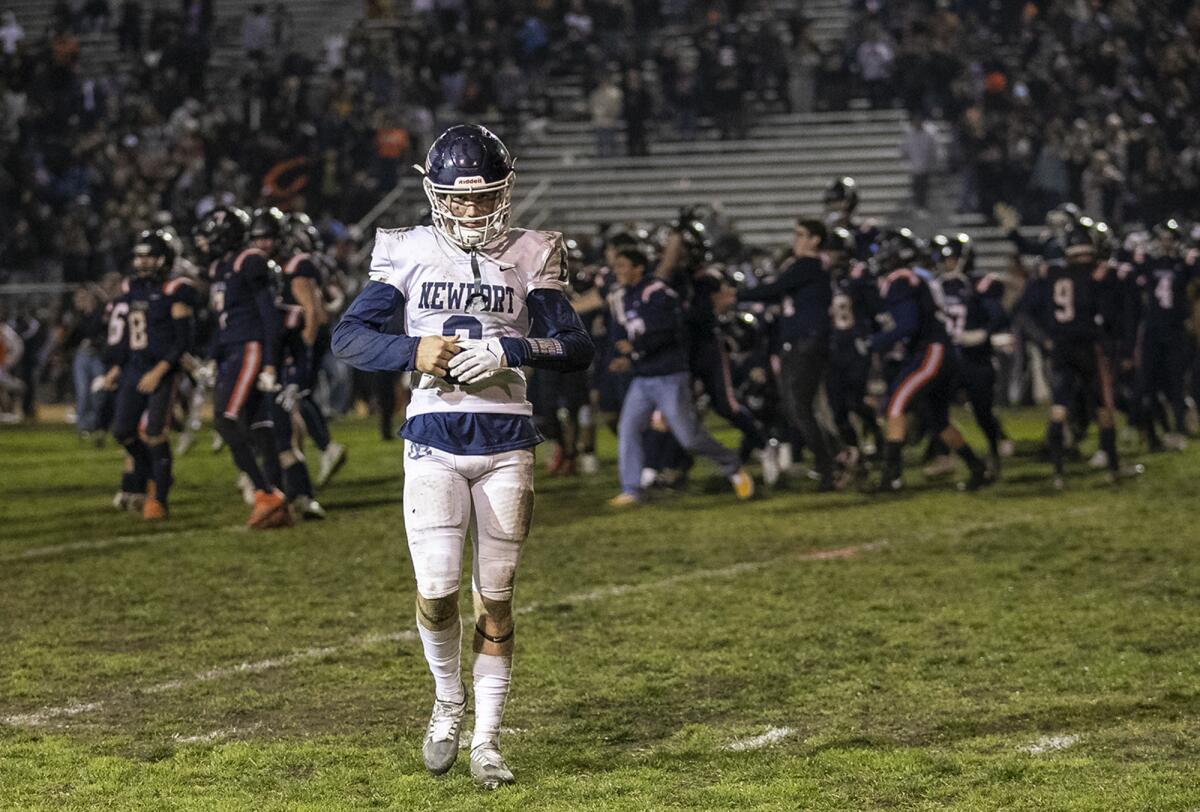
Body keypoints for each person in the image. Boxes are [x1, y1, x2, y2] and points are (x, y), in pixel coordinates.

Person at [332, 124, 594, 789]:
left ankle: (487, 738)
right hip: (433, 438)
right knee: (438, 590)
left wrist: (515, 349)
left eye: (485, 199)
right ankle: (448, 701)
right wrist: (409, 351)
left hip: (508, 442)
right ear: (433, 193)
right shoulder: (407, 250)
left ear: (507, 193)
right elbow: (350, 337)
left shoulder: (533, 250)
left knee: (496, 599)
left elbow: (576, 345)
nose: (472, 211)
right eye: (458, 199)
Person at [606, 246, 754, 506]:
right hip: (643, 377)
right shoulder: (622, 295)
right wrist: (625, 357)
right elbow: (625, 333)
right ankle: (631, 489)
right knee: (628, 429)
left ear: (639, 268)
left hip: (669, 375)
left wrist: (637, 348)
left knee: (689, 437)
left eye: (622, 266)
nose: (618, 271)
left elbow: (669, 331)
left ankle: (732, 466)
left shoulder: (658, 293)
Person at [867, 229, 992, 492]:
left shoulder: (901, 278)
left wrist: (873, 343)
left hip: (931, 351)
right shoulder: (920, 277)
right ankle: (977, 467)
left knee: (895, 404)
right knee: (938, 419)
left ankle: (891, 477)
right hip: (942, 351)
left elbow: (908, 323)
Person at [195, 205, 292, 528]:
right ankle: (277, 497)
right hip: (232, 348)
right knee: (257, 424)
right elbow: (222, 321)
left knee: (226, 419)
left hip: (249, 347)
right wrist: (212, 355)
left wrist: (269, 363)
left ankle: (266, 493)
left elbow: (268, 315)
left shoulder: (249, 261)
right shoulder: (220, 268)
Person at [100, 230, 196, 519]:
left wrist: (159, 371)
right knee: (123, 431)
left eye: (148, 256)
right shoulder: (134, 287)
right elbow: (132, 333)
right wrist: (118, 367)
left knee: (155, 433)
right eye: (139, 256)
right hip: (134, 367)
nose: (142, 262)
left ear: (163, 259)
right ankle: (156, 473)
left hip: (162, 370)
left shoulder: (176, 289)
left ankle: (160, 498)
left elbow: (183, 341)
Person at [738, 219, 837, 489]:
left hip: (807, 341)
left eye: (801, 235)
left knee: (800, 408)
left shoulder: (809, 264)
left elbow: (774, 289)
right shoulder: (807, 266)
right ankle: (834, 459)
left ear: (815, 240)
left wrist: (736, 296)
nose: (796, 239)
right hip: (799, 342)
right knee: (797, 408)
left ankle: (831, 464)